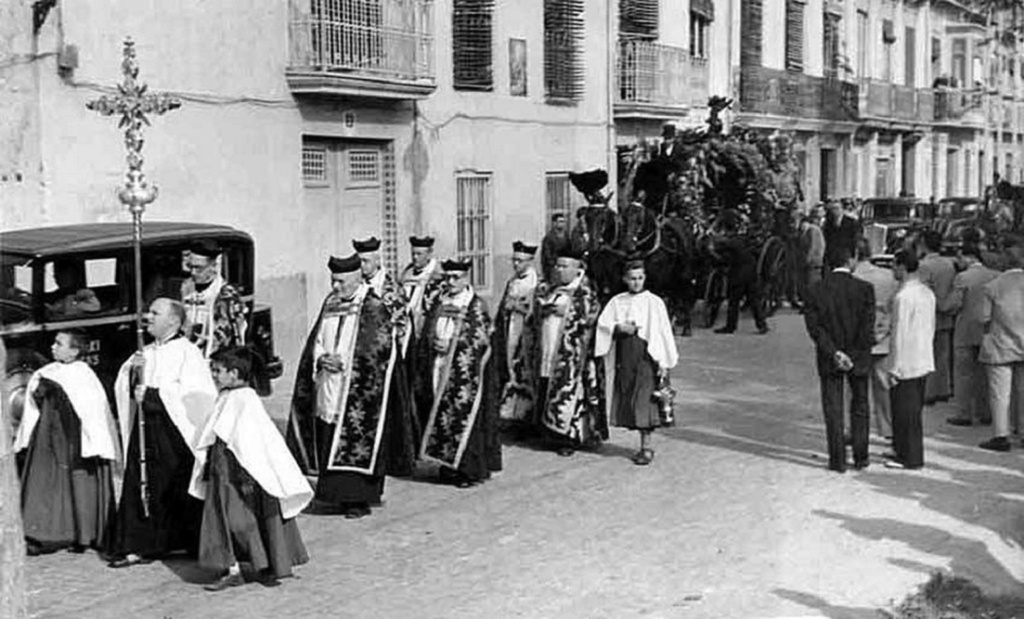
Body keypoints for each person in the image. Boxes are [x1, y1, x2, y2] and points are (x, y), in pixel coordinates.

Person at [286, 254, 411, 519]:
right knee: (329, 435)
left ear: (356, 279)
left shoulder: (373, 306)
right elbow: (317, 338)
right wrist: (321, 358)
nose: (336, 287)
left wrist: (350, 364)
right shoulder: (330, 303)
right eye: (333, 281)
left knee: (356, 438)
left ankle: (358, 499)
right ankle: (333, 494)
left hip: (357, 387)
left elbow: (381, 348)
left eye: (341, 281)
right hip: (328, 382)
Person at [189, 348, 312, 591]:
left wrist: (246, 474)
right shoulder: (227, 396)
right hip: (222, 471)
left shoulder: (246, 400)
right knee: (225, 520)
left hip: (238, 475)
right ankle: (234, 567)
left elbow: (252, 442)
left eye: (217, 371)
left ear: (234, 373)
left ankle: (257, 563)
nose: (213, 375)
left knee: (240, 521)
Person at [107, 298, 218, 567]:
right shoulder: (145, 351)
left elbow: (197, 395)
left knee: (176, 486)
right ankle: (139, 545)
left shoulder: (187, 352)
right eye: (149, 312)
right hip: (145, 431)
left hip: (174, 434)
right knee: (141, 484)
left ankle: (184, 541)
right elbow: (126, 385)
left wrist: (155, 396)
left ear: (174, 321)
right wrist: (133, 374)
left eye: (155, 313)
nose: (148, 316)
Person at [14, 329, 120, 555]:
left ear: (74, 351)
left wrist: (92, 441)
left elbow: (91, 412)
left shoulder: (84, 376)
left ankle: (82, 533)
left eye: (59, 344)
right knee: (44, 481)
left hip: (73, 439)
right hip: (48, 435)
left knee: (77, 482)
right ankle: (41, 533)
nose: (53, 347)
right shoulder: (48, 371)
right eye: (54, 343)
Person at [415, 259, 501, 487]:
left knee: (462, 416)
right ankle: (446, 464)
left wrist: (454, 344)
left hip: (464, 372)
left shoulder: (475, 305)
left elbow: (481, 339)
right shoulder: (440, 301)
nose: (450, 282)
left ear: (466, 279)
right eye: (447, 278)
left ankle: (467, 470)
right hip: (438, 365)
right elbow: (428, 331)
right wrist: (433, 342)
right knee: (442, 414)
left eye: (456, 278)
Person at [594, 261, 679, 466]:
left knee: (645, 398)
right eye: (632, 278)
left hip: (646, 355)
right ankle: (639, 438)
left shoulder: (654, 302)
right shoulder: (617, 301)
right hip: (626, 354)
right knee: (629, 393)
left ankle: (646, 446)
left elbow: (662, 331)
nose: (636, 282)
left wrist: (663, 359)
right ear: (625, 279)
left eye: (640, 278)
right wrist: (618, 327)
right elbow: (604, 325)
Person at [804, 248, 875, 473]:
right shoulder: (865, 289)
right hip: (858, 356)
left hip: (829, 356)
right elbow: (867, 327)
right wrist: (852, 355)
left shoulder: (815, 290)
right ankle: (861, 456)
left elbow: (815, 329)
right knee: (860, 404)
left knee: (833, 407)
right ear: (851, 260)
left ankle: (837, 460)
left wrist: (834, 352)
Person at [533, 247, 606, 456]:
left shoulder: (585, 291)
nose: (559, 270)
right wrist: (544, 309)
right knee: (547, 386)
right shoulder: (549, 288)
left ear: (577, 268)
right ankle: (548, 432)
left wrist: (568, 312)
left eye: (565, 266)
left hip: (573, 355)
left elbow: (592, 318)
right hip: (549, 347)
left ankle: (569, 437)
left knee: (569, 392)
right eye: (557, 265)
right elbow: (536, 311)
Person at [885, 250, 936, 470]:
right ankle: (903, 448)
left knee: (905, 410)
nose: (892, 270)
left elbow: (899, 333)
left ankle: (910, 456)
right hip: (923, 354)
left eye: (894, 266)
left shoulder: (903, 297)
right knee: (911, 408)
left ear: (902, 267)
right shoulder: (927, 293)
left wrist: (894, 365)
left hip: (906, 358)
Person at [943, 244, 1000, 427]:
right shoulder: (995, 276)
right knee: (985, 374)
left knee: (964, 374)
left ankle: (964, 413)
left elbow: (955, 303)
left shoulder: (963, 277)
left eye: (960, 258)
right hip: (988, 330)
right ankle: (986, 412)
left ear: (968, 258)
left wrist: (944, 307)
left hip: (965, 330)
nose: (959, 262)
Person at [977, 237, 1024, 452]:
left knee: (999, 393)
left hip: (1000, 344)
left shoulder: (993, 286)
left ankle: (1001, 435)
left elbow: (984, 318)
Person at [853, 237, 898, 441]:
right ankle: (887, 427)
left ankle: (854, 427)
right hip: (882, 334)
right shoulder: (888, 276)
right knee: (883, 385)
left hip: (856, 337)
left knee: (855, 388)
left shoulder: (852, 277)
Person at [494, 241, 540, 433]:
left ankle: (526, 418)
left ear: (530, 261)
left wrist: (518, 308)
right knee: (510, 369)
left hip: (526, 333)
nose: (515, 264)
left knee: (524, 372)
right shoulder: (513, 281)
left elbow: (537, 311)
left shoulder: (535, 284)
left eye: (520, 261)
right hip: (510, 328)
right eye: (514, 260)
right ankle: (510, 415)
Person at [180, 240, 248, 359]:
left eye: (199, 268)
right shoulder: (185, 287)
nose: (193, 273)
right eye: (191, 267)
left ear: (213, 266)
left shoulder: (226, 295)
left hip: (215, 358)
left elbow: (237, 334)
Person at [916, 230, 956, 404]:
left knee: (928, 354)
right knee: (942, 353)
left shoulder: (924, 266)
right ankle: (943, 388)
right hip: (945, 311)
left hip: (929, 314)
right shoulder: (948, 264)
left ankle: (929, 391)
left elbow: (922, 290)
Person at [711, 219, 769, 335]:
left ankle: (731, 326)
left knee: (734, 302)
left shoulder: (730, 242)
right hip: (751, 273)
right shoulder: (742, 239)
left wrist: (712, 247)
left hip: (738, 275)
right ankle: (762, 325)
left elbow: (718, 248)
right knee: (754, 301)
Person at [397, 235, 444, 357]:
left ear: (429, 254)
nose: (415, 258)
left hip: (426, 326)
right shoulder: (406, 273)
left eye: (419, 254)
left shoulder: (437, 273)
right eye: (413, 254)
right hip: (407, 327)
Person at [822, 201, 862, 271]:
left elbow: (856, 240)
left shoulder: (852, 223)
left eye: (837, 208)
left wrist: (854, 256)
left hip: (846, 256)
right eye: (833, 209)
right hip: (832, 256)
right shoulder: (828, 223)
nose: (835, 211)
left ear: (842, 209)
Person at [798, 213, 825, 310]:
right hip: (812, 261)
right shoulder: (808, 231)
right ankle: (809, 304)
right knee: (808, 283)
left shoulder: (812, 230)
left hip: (814, 261)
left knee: (812, 283)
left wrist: (807, 259)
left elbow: (812, 246)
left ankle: (812, 305)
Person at [540, 214, 571, 284]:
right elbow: (547, 255)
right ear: (554, 223)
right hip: (552, 270)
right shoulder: (549, 238)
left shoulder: (566, 237)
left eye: (563, 222)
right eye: (560, 221)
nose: (562, 224)